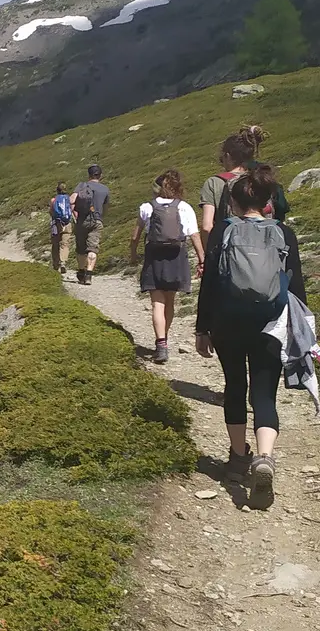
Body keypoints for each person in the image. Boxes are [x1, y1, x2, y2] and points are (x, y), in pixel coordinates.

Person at [195, 165, 307, 508]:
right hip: (270, 323)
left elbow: (210, 282)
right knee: (264, 391)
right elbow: (297, 285)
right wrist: (302, 329)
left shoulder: (223, 231)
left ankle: (237, 459)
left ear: (234, 201)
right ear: (266, 200)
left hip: (228, 322)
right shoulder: (283, 233)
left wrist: (202, 327)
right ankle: (264, 458)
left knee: (234, 386)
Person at [129, 170, 205, 364]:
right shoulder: (184, 207)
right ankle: (165, 340)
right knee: (170, 301)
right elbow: (194, 235)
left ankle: (160, 344)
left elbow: (135, 235)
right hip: (176, 256)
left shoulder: (147, 207)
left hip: (154, 256)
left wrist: (133, 253)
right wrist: (201, 259)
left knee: (157, 303)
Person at [198, 125, 289, 257]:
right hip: (267, 251)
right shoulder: (260, 179)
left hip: (233, 254)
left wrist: (211, 257)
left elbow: (207, 227)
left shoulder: (214, 182)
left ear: (228, 156)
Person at [72, 164, 110, 285]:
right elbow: (106, 207)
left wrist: (74, 214)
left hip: (82, 220)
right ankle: (89, 274)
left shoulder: (82, 185)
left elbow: (71, 200)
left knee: (80, 248)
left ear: (89, 175)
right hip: (97, 221)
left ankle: (81, 271)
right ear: (100, 175)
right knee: (93, 248)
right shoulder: (105, 189)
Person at [49, 182, 73, 272]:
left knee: (55, 244)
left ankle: (56, 264)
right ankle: (63, 262)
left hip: (57, 223)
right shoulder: (69, 199)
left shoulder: (53, 200)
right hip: (67, 223)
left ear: (57, 189)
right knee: (65, 243)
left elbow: (51, 212)